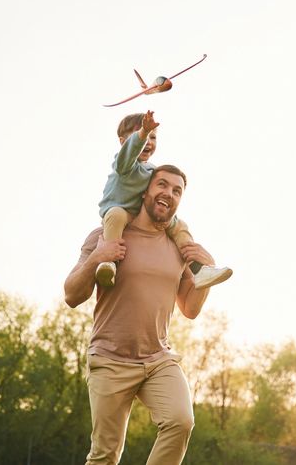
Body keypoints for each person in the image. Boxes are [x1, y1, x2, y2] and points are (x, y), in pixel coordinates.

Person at [65, 165, 215, 465]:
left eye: (177, 191)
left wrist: (205, 275)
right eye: (162, 185)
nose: (168, 194)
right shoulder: (108, 233)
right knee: (105, 455)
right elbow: (71, 295)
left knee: (180, 421)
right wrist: (98, 256)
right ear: (145, 190)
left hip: (158, 359)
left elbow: (191, 308)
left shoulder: (178, 245)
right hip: (110, 359)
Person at [95, 110, 231, 289]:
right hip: (119, 210)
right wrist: (142, 133)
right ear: (122, 141)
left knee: (179, 226)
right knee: (116, 215)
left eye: (153, 137)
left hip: (140, 212)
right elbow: (128, 154)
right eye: (142, 136)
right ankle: (108, 265)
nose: (148, 142)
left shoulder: (151, 169)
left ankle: (199, 270)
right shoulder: (123, 164)